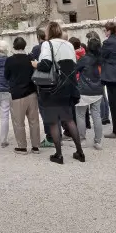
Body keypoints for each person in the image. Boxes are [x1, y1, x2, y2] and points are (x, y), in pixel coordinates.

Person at [34, 21, 84, 165]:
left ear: (48, 32)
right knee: (68, 119)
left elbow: (45, 65)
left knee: (54, 121)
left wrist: (35, 64)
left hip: (54, 86)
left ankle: (59, 154)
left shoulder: (47, 44)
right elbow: (73, 64)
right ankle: (79, 151)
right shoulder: (68, 44)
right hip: (69, 85)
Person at [5, 36, 41, 154]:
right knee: (34, 121)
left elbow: (6, 76)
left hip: (17, 94)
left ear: (14, 46)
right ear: (25, 46)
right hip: (31, 92)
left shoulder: (10, 60)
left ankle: (22, 146)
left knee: (18, 121)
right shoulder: (30, 58)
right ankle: (35, 146)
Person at [74, 37, 104, 150]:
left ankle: (82, 139)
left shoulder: (84, 59)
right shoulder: (101, 60)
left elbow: (75, 70)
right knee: (96, 115)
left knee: (80, 115)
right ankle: (98, 141)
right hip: (98, 91)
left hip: (84, 91)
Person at [31, 29, 54, 147]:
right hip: (54, 80)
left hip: (42, 81)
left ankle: (50, 137)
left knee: (44, 110)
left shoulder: (36, 49)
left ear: (38, 38)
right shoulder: (53, 46)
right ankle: (56, 134)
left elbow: (32, 63)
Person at [86, 30, 110, 125]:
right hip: (102, 71)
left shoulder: (94, 49)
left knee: (101, 96)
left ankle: (103, 116)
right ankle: (106, 116)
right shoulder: (101, 48)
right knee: (103, 95)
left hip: (97, 72)